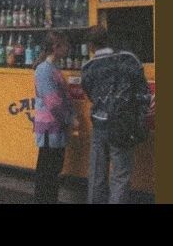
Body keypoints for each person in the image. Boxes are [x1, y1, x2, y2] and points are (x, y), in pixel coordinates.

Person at [81, 25, 154, 204]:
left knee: (97, 173)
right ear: (108, 39)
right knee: (120, 176)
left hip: (99, 123)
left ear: (91, 46)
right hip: (123, 125)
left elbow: (90, 95)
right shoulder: (129, 59)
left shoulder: (88, 67)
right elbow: (143, 93)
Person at [32, 32, 78, 204]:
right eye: (65, 45)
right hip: (49, 129)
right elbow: (53, 102)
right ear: (55, 47)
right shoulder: (44, 70)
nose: (68, 48)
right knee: (47, 173)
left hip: (54, 128)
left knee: (51, 171)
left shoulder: (51, 68)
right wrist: (70, 118)